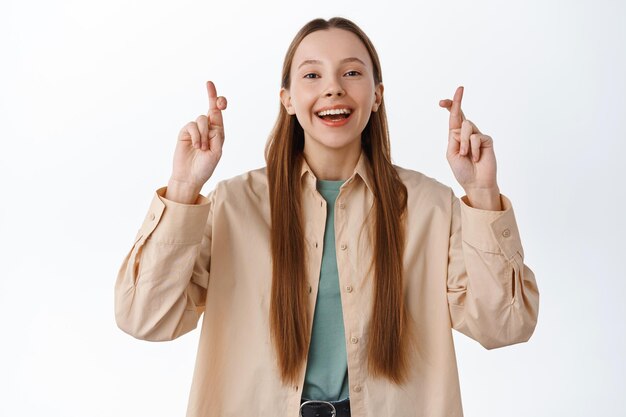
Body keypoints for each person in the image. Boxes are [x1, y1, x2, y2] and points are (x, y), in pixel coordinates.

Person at [114, 16, 539, 417]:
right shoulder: (232, 204)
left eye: (352, 73)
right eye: (312, 75)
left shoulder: (431, 205)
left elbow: (505, 327)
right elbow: (145, 318)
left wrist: (482, 192)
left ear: (377, 96)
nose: (333, 88)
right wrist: (185, 187)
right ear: (288, 100)